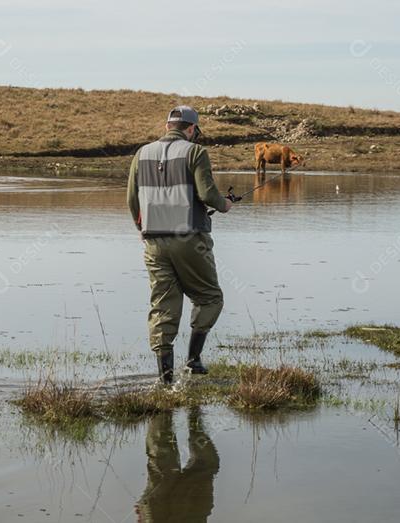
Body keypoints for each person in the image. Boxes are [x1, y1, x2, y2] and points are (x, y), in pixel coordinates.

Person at [127, 105, 231, 385]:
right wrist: (225, 205)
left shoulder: (141, 154)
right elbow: (207, 194)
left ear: (167, 126)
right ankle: (194, 361)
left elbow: (131, 201)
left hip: (153, 241)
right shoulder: (196, 152)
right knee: (210, 297)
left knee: (163, 305)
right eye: (195, 130)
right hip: (190, 241)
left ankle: (165, 379)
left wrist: (142, 228)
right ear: (191, 129)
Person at [134, 408, 219, 522]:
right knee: (206, 466)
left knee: (163, 461)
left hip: (161, 511)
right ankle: (192, 411)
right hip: (192, 509)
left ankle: (163, 402)